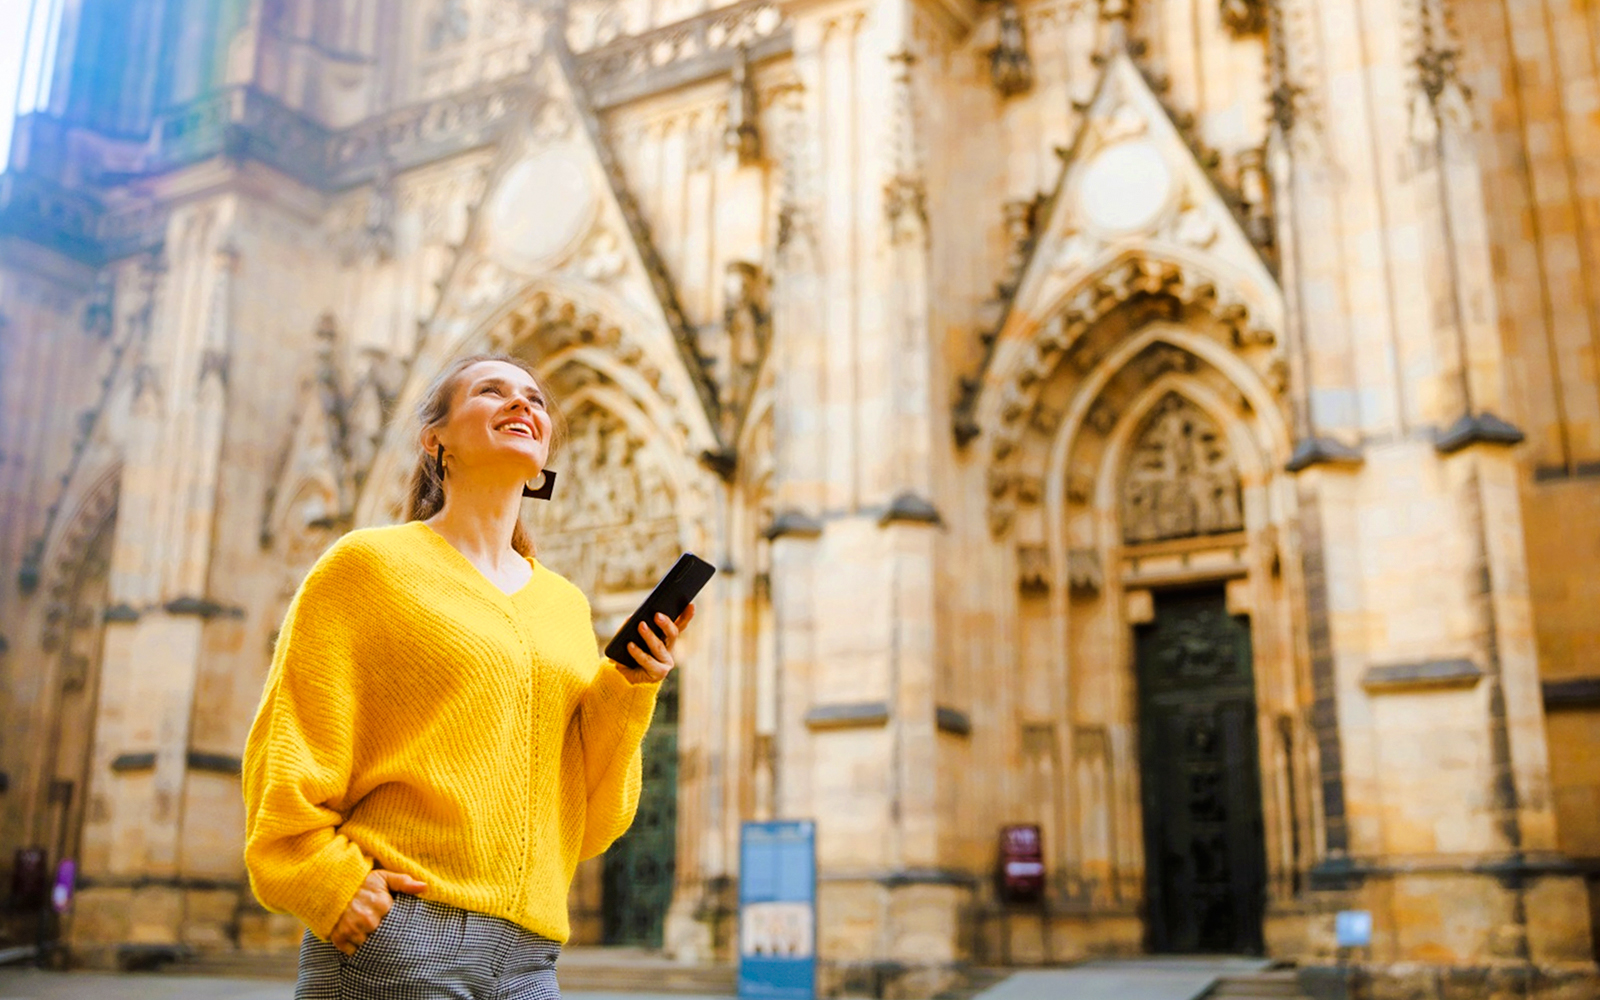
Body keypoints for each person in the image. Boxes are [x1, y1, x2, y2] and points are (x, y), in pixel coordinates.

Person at [242, 353, 694, 999]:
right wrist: (326, 881)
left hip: (531, 954)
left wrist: (630, 686)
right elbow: (290, 742)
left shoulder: (565, 605)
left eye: (535, 400)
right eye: (492, 392)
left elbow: (592, 820)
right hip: (403, 939)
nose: (523, 405)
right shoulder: (368, 565)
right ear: (437, 441)